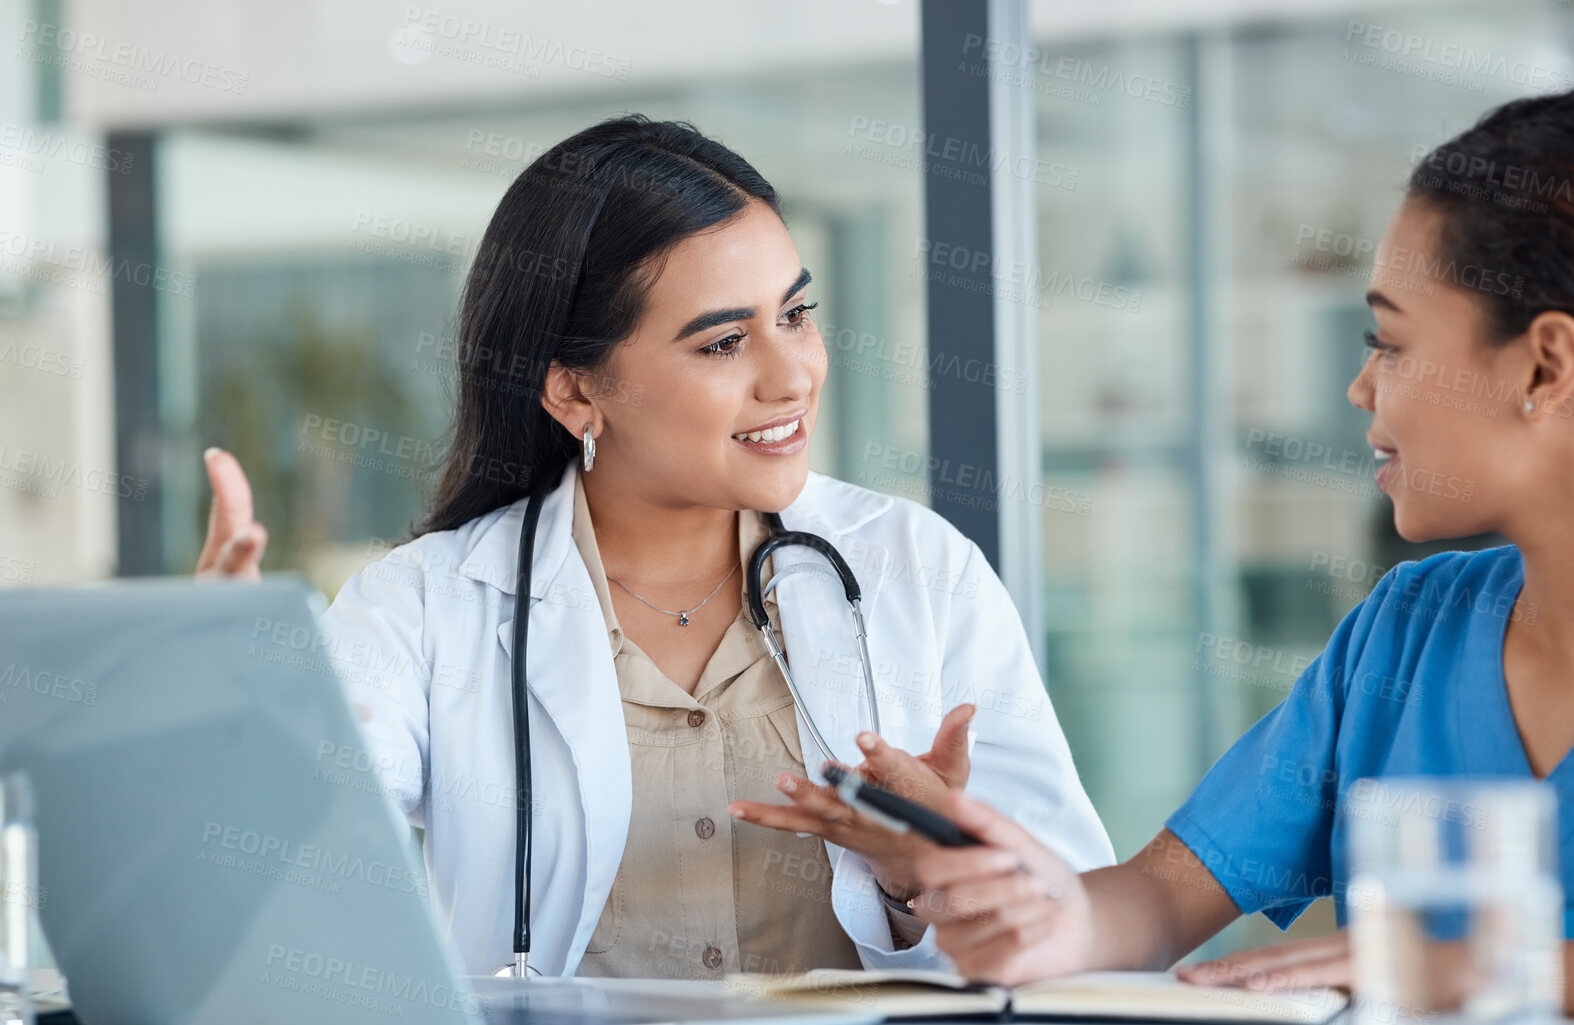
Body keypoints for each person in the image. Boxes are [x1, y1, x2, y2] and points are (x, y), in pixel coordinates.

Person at [868, 86, 1574, 1025]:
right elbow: (1157, 901)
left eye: (1389, 342)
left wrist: (1472, 968)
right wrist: (1050, 912)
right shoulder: (1401, 639)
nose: (1361, 386)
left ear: (1544, 366)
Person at [195, 115, 1113, 979]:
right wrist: (236, 694)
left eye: (795, 314)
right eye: (722, 343)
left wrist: (932, 869)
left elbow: (1080, 929)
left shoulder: (917, 568)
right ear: (574, 392)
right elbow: (279, 858)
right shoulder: (427, 605)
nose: (792, 374)